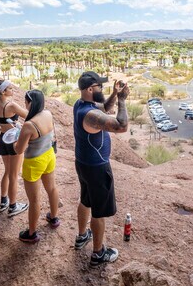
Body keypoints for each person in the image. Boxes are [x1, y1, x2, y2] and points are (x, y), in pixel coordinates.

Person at [73, 71, 129, 267]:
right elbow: (121, 126)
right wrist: (122, 100)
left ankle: (82, 236)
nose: (102, 90)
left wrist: (114, 94)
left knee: (85, 200)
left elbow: (104, 108)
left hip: (83, 162)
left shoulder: (81, 105)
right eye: (100, 87)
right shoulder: (89, 115)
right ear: (90, 89)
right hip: (97, 167)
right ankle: (98, 253)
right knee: (99, 212)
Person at [14, 90, 59, 243]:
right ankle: (53, 218)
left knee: (34, 200)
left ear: (30, 103)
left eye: (25, 102)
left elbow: (19, 149)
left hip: (34, 162)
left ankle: (32, 233)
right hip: (49, 155)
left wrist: (14, 142)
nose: (24, 104)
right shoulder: (47, 114)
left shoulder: (29, 125)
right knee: (51, 188)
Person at [0, 80, 29, 217]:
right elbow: (29, 115)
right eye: (10, 88)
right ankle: (13, 206)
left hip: (3, 140)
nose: (13, 90)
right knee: (14, 175)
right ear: (3, 92)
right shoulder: (11, 105)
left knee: (7, 172)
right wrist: (14, 127)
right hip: (14, 141)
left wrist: (4, 128)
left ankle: (3, 201)